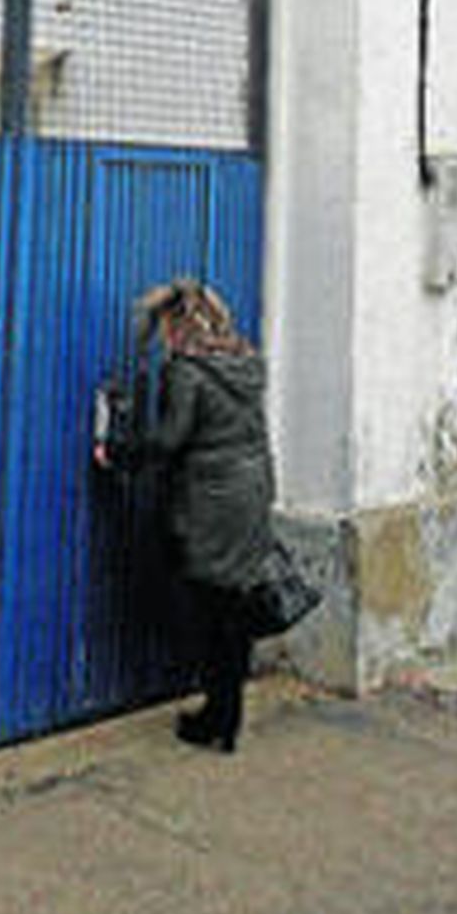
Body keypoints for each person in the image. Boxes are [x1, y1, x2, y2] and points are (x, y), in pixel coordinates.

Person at [96, 277, 275, 754]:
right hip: (252, 492)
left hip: (211, 503)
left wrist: (117, 453)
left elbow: (170, 440)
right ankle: (228, 714)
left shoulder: (186, 371)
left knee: (210, 609)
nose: (163, 339)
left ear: (178, 326)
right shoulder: (247, 361)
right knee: (233, 604)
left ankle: (216, 715)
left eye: (164, 328)